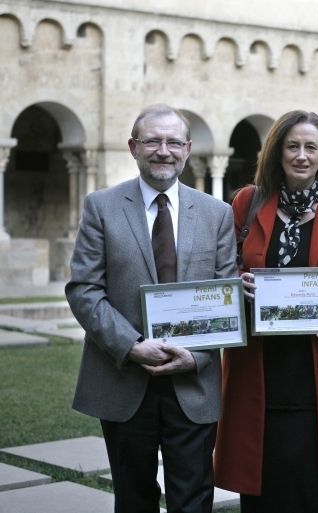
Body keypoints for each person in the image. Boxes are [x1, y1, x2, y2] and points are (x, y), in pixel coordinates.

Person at [66, 104, 237, 513]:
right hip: (123, 377)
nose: (163, 151)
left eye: (173, 142)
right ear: (134, 147)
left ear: (188, 149)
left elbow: (226, 296)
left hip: (193, 382)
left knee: (193, 497)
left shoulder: (217, 214)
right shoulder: (101, 207)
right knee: (133, 497)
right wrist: (131, 346)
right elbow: (85, 289)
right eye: (153, 141)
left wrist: (197, 357)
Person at [213, 110, 318, 513]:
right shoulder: (248, 203)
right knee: (260, 481)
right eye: (293, 146)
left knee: (314, 483)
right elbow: (225, 264)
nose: (302, 156)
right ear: (277, 152)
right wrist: (237, 282)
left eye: (310, 147)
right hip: (259, 368)